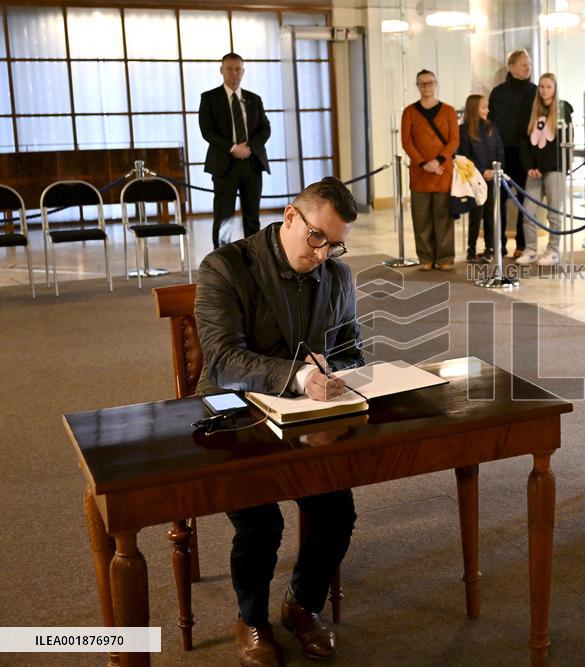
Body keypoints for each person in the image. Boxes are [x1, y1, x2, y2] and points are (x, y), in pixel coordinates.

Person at [194, 177, 363, 667]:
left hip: (305, 415)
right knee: (260, 522)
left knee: (336, 513)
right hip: (234, 413)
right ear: (291, 216)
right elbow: (223, 359)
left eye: (336, 244)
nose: (324, 253)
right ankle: (251, 620)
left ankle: (302, 604)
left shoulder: (337, 275)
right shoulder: (226, 266)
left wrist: (336, 369)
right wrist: (299, 373)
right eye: (317, 238)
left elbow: (352, 350)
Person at [199, 52, 271, 249]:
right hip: (224, 164)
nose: (234, 73)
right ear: (221, 70)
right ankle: (222, 258)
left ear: (243, 71)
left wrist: (249, 148)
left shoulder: (254, 99)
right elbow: (207, 131)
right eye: (229, 69)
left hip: (252, 163)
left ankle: (255, 257)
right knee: (224, 217)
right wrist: (233, 148)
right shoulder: (209, 98)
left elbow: (265, 128)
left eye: (238, 69)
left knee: (252, 217)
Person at [401, 69, 460, 271]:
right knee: (421, 217)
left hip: (443, 171)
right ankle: (425, 257)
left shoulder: (449, 111)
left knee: (443, 216)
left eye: (430, 82)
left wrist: (438, 161)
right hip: (420, 173)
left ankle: (445, 258)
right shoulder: (409, 112)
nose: (427, 86)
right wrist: (423, 163)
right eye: (422, 83)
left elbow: (454, 141)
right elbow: (407, 142)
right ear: (417, 86)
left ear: (436, 84)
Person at [516, 73, 573, 266]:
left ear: (555, 89)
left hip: (553, 169)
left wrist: (542, 167)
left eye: (548, 87)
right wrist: (530, 167)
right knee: (528, 211)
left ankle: (553, 250)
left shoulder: (562, 111)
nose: (544, 90)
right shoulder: (531, 111)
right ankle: (531, 249)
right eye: (541, 86)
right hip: (533, 171)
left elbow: (560, 145)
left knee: (554, 212)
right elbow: (524, 142)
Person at [488, 49, 537, 258]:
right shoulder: (498, 93)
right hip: (501, 153)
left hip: (525, 154)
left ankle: (522, 244)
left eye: (530, 64)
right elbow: (490, 123)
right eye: (524, 64)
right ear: (512, 66)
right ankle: (498, 244)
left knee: (524, 200)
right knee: (498, 200)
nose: (529, 68)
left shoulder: (535, 91)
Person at [458, 93, 504, 263]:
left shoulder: (492, 127)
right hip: (475, 181)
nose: (487, 110)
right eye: (484, 107)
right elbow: (464, 156)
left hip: (492, 179)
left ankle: (490, 248)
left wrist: (495, 170)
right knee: (475, 216)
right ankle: (471, 249)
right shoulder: (463, 130)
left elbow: (500, 151)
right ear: (473, 109)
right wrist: (480, 172)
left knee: (490, 215)